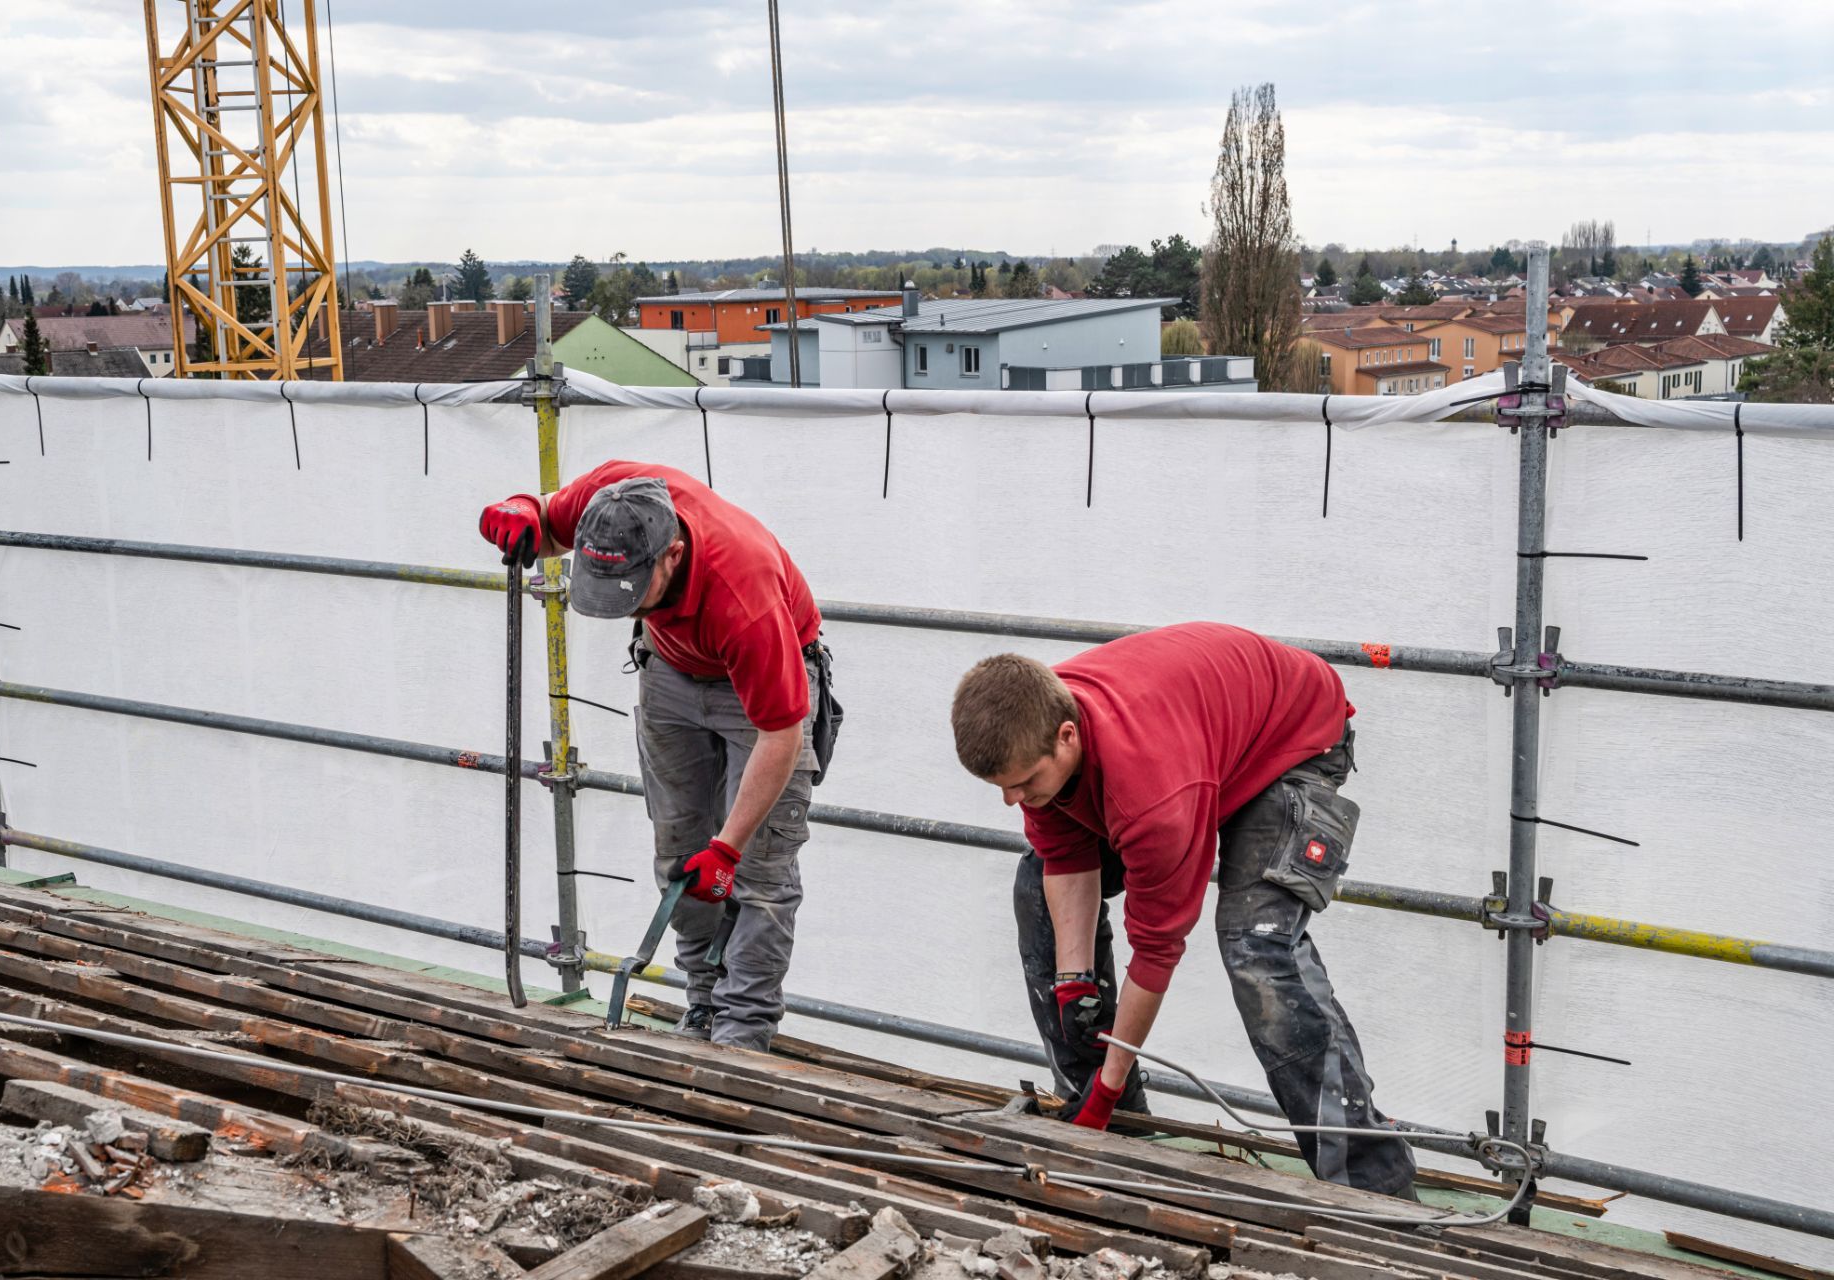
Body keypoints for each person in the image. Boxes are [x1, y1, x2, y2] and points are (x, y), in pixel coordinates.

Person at [949, 623, 1416, 1197]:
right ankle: (1114, 1129)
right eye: (1002, 788)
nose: (1011, 800)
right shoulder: (1035, 724)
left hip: (1289, 743)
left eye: (1022, 784)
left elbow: (1157, 950)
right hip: (1197, 740)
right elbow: (1066, 859)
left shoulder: (1152, 800)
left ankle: (1372, 1185)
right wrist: (1074, 983)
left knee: (1258, 945)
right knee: (1034, 885)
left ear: (1067, 737)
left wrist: (1109, 1086)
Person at [479, 461, 841, 1051]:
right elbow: (546, 521)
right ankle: (703, 1001)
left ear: (673, 554)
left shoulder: (744, 593)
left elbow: (781, 735)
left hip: (762, 690)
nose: (621, 608)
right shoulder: (611, 501)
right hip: (672, 671)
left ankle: (742, 1031)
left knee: (759, 868)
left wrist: (728, 847)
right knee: (680, 854)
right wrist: (520, 509)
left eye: (631, 594)